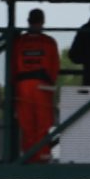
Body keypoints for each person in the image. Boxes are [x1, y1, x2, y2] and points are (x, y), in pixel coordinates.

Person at [9, 8, 61, 161]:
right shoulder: (49, 42)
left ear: (28, 21)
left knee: (26, 124)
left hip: (23, 86)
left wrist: (15, 86)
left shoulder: (19, 42)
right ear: (43, 22)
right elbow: (54, 67)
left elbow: (12, 66)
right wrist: (50, 84)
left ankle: (29, 156)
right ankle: (43, 156)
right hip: (42, 86)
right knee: (43, 123)